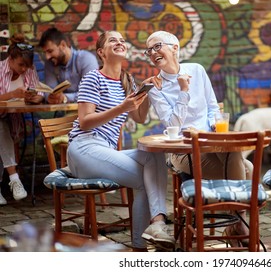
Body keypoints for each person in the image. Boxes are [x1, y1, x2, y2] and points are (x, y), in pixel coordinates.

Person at [66, 30, 174, 251]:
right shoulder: (93, 77)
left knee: (154, 156)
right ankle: (143, 242)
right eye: (112, 40)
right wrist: (122, 107)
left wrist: (147, 93)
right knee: (147, 179)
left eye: (123, 40)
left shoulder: (127, 81)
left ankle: (157, 227)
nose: (119, 42)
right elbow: (85, 122)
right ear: (101, 52)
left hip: (103, 151)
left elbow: (140, 117)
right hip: (83, 148)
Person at [143, 30, 253, 246]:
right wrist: (183, 91)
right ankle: (238, 224)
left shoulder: (197, 70)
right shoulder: (156, 88)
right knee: (247, 167)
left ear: (175, 48)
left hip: (211, 144)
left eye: (157, 46)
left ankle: (237, 223)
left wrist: (213, 126)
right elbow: (173, 126)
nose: (153, 52)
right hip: (183, 153)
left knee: (238, 155)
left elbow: (213, 107)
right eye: (149, 50)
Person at [0, 33, 44, 205]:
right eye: (21, 65)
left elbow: (39, 91)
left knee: (2, 133)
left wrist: (37, 98)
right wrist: (12, 94)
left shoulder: (29, 71)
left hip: (15, 119)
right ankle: (14, 178)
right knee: (0, 128)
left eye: (28, 65)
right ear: (10, 59)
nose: (24, 69)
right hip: (3, 119)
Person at [38, 27, 99, 104]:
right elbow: (49, 91)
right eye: (45, 53)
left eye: (50, 51)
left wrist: (65, 97)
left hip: (88, 112)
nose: (47, 57)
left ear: (63, 45)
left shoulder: (86, 59)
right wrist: (50, 97)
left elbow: (90, 93)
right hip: (64, 112)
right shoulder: (50, 63)